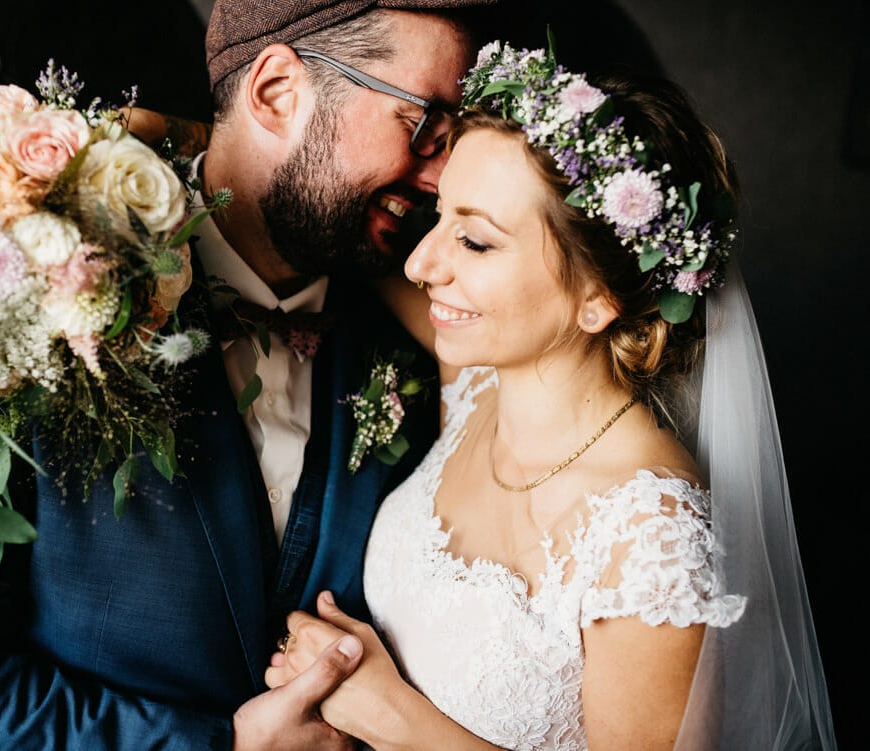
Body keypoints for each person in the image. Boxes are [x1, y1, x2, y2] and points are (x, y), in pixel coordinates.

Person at [0, 1, 507, 749]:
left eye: (455, 137)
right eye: (423, 125)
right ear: (277, 92)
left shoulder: (425, 334)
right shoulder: (8, 291)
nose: (443, 174)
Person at [267, 41, 838, 750]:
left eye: (475, 242)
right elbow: (345, 243)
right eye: (438, 216)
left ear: (597, 297)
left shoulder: (650, 541)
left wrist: (390, 715)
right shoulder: (475, 384)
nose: (420, 263)